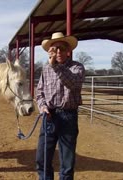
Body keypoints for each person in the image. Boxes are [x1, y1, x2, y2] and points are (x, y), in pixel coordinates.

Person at [35, 32, 85, 180]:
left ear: (68, 51)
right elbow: (39, 92)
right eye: (55, 49)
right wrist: (42, 106)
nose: (58, 52)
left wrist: (56, 67)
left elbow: (73, 83)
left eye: (62, 49)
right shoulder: (45, 69)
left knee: (67, 162)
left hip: (68, 116)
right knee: (42, 158)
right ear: (50, 51)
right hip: (49, 116)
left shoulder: (77, 67)